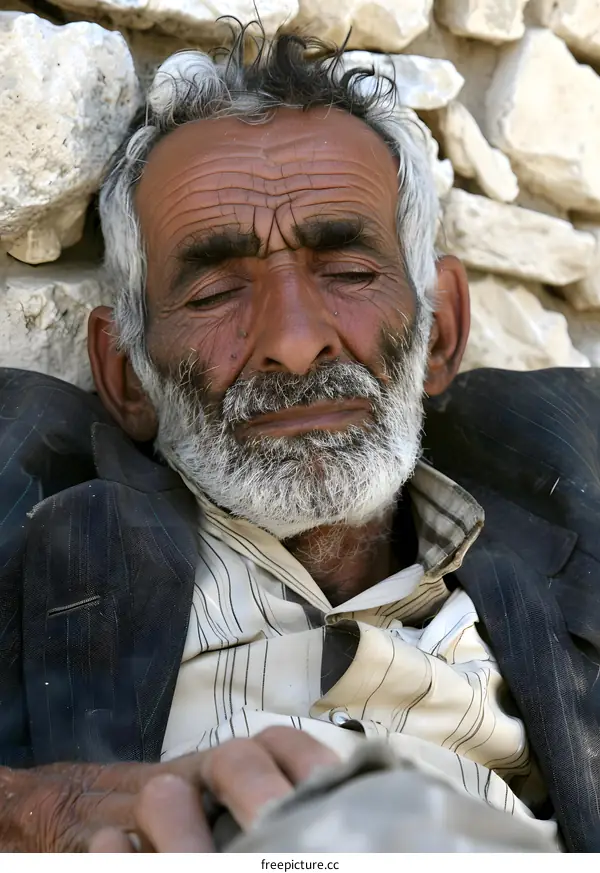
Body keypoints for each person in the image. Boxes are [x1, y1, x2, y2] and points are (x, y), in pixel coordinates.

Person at [0, 25, 598, 853]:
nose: (292, 339)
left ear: (441, 331)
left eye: (349, 273)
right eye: (213, 292)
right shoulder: (24, 495)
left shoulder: (567, 502)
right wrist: (37, 809)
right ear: (126, 375)